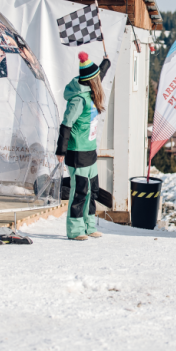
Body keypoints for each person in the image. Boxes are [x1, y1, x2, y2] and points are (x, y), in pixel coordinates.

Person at [55, 52, 110, 241]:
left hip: (90, 151)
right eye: (97, 79)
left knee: (92, 189)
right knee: (79, 191)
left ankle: (89, 225)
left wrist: (106, 62)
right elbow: (66, 124)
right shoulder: (79, 99)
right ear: (91, 81)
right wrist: (61, 150)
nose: (99, 80)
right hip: (77, 151)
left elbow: (99, 74)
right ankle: (75, 229)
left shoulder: (91, 91)